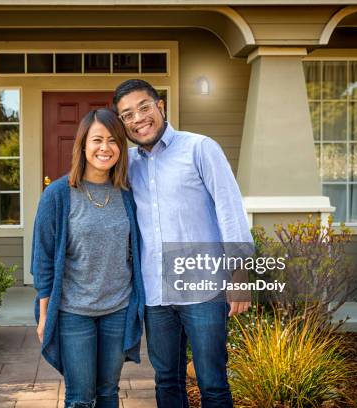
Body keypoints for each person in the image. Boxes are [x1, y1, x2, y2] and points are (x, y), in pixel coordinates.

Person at [113, 79, 253, 408]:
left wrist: (240, 275)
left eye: (144, 107)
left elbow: (230, 210)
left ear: (160, 106)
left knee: (213, 383)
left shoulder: (200, 148)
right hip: (156, 295)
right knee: (167, 381)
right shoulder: (127, 164)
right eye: (127, 114)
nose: (138, 118)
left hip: (203, 289)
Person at [31, 108, 145, 408]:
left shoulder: (128, 194)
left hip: (118, 310)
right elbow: (42, 259)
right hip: (73, 312)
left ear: (121, 146)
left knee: (108, 392)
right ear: (82, 145)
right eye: (97, 140)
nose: (104, 148)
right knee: (80, 398)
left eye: (112, 140)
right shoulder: (58, 194)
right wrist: (44, 316)